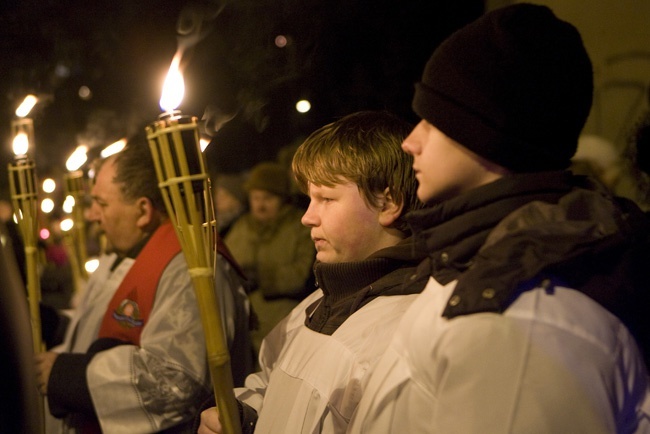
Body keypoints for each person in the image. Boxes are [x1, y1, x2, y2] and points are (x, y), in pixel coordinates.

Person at [348, 4, 650, 433]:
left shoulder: (525, 321)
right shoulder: (479, 265)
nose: (410, 142)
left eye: (432, 120)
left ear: (487, 132)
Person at [197, 110, 428, 434]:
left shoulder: (408, 331)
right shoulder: (318, 301)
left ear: (388, 203)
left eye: (326, 199)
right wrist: (247, 415)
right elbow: (273, 382)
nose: (308, 217)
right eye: (309, 198)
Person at [34, 133, 252, 433]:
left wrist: (70, 377)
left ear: (143, 211)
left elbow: (175, 382)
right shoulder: (126, 256)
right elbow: (103, 328)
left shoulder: (192, 268)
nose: (92, 215)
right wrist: (57, 324)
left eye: (101, 203)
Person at [225, 161, 315, 355]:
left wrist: (262, 277)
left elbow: (302, 275)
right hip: (245, 328)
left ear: (282, 199)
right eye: (255, 198)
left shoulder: (299, 227)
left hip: (283, 324)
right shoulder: (242, 226)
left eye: (267, 198)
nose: (260, 204)